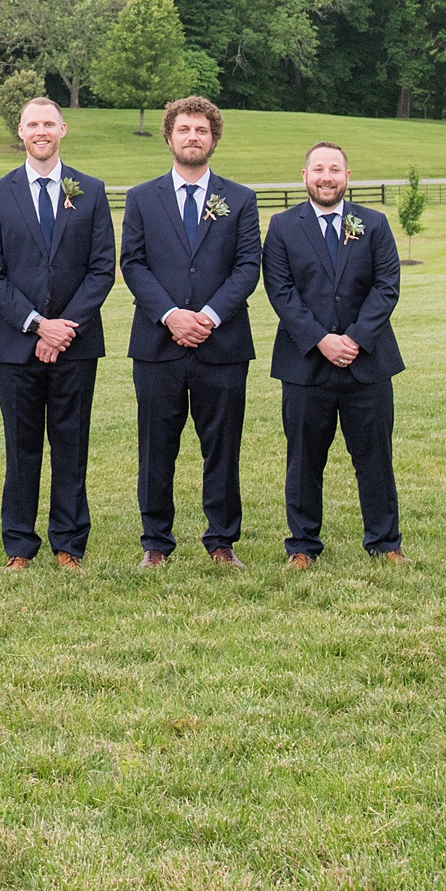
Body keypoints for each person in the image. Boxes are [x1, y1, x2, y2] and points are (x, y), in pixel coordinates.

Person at [119, 95, 262, 570]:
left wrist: (209, 316)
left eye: (202, 130)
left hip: (221, 345)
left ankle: (222, 540)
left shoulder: (240, 199)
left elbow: (247, 266)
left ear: (213, 139)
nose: (193, 137)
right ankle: (155, 542)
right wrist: (170, 315)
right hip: (158, 344)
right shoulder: (142, 198)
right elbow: (133, 264)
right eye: (185, 129)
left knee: (221, 444)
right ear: (169, 136)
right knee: (156, 444)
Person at [0, 96, 117, 570]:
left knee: (71, 443)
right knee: (21, 446)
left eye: (49, 124)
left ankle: (69, 544)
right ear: (20, 131)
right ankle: (18, 544)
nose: (41, 131)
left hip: (76, 345)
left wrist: (63, 328)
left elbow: (101, 270)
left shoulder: (90, 190)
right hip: (17, 344)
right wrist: (37, 324)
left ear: (63, 129)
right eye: (32, 124)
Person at [262, 141, 407, 568]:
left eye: (335, 170)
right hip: (305, 364)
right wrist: (321, 339)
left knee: (375, 458)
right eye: (319, 169)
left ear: (348, 176)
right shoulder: (283, 225)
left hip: (369, 363)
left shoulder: (374, 223)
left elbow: (387, 285)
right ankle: (303, 546)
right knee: (304, 459)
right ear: (304, 176)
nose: (327, 177)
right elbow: (281, 290)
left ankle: (385, 542)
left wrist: (357, 338)